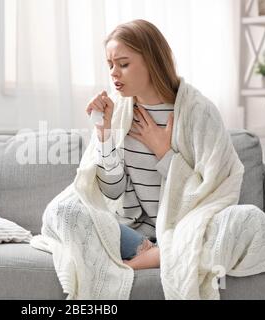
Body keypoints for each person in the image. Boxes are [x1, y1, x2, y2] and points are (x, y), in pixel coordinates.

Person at [85, 19, 180, 270]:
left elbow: (202, 193)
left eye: (123, 64)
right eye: (110, 65)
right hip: (134, 234)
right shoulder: (119, 114)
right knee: (64, 212)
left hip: (181, 229)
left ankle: (161, 253)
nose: (114, 73)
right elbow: (114, 191)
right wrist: (104, 132)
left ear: (152, 60)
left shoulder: (191, 112)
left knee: (241, 220)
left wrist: (164, 152)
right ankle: (150, 254)